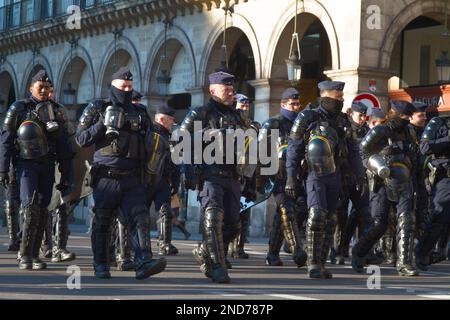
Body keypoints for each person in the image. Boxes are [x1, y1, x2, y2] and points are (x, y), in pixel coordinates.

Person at [75, 67, 166, 279]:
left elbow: (151, 142)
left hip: (133, 177)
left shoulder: (140, 112)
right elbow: (81, 139)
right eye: (122, 86)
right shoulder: (97, 107)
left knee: (140, 218)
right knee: (103, 222)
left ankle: (143, 261)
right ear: (113, 86)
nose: (126, 90)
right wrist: (103, 124)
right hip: (106, 176)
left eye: (129, 86)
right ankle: (101, 263)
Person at [286, 81, 365, 279]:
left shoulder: (343, 120)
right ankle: (312, 263)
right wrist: (290, 177)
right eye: (339, 97)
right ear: (327, 96)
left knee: (330, 219)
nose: (342, 99)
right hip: (314, 174)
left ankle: (321, 263)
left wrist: (359, 174)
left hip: (336, 174)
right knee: (317, 215)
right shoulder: (307, 117)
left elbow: (354, 150)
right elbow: (294, 148)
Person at [0, 70, 73, 270]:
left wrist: (67, 174)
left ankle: (34, 253)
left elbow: (65, 146)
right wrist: (3, 169)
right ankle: (24, 254)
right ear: (30, 88)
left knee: (42, 209)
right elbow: (6, 140)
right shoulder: (19, 108)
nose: (44, 90)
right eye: (40, 87)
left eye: (48, 88)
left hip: (48, 164)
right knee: (30, 206)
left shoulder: (57, 111)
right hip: (25, 165)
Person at [180, 71, 248, 283]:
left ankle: (203, 249)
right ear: (213, 91)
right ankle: (218, 267)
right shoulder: (200, 113)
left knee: (234, 225)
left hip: (232, 176)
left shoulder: (237, 116)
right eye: (226, 90)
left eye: (232, 89)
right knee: (213, 219)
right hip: (210, 176)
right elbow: (178, 141)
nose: (231, 93)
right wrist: (203, 136)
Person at [352, 100, 419, 277]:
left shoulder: (409, 132)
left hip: (404, 180)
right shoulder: (380, 131)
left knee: (407, 220)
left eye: (408, 117)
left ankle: (404, 263)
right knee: (379, 224)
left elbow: (414, 156)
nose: (406, 120)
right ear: (394, 114)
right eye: (403, 116)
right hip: (381, 182)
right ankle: (359, 252)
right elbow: (362, 152)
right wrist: (376, 165)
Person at [258, 88, 308, 267]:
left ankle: (272, 253)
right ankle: (297, 250)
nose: (296, 107)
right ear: (283, 104)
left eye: (297, 104)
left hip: (296, 176)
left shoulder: (302, 125)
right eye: (292, 104)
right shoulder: (272, 124)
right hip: (277, 176)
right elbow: (261, 152)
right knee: (286, 209)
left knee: (295, 210)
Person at [332, 101, 374, 265]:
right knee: (340, 215)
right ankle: (338, 250)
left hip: (359, 177)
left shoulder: (367, 131)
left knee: (364, 214)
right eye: (360, 115)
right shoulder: (343, 129)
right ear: (351, 114)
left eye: (365, 115)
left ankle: (364, 251)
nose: (363, 118)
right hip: (343, 177)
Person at [415, 113, 450, 270]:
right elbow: (425, 147)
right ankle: (422, 252)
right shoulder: (439, 122)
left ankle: (442, 250)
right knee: (439, 216)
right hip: (445, 177)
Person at [149, 105, 180, 256]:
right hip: (147, 180)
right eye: (170, 120)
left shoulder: (170, 137)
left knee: (165, 212)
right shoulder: (149, 134)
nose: (172, 124)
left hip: (163, 180)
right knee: (139, 214)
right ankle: (133, 245)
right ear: (161, 119)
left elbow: (174, 163)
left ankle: (164, 243)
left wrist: (175, 183)